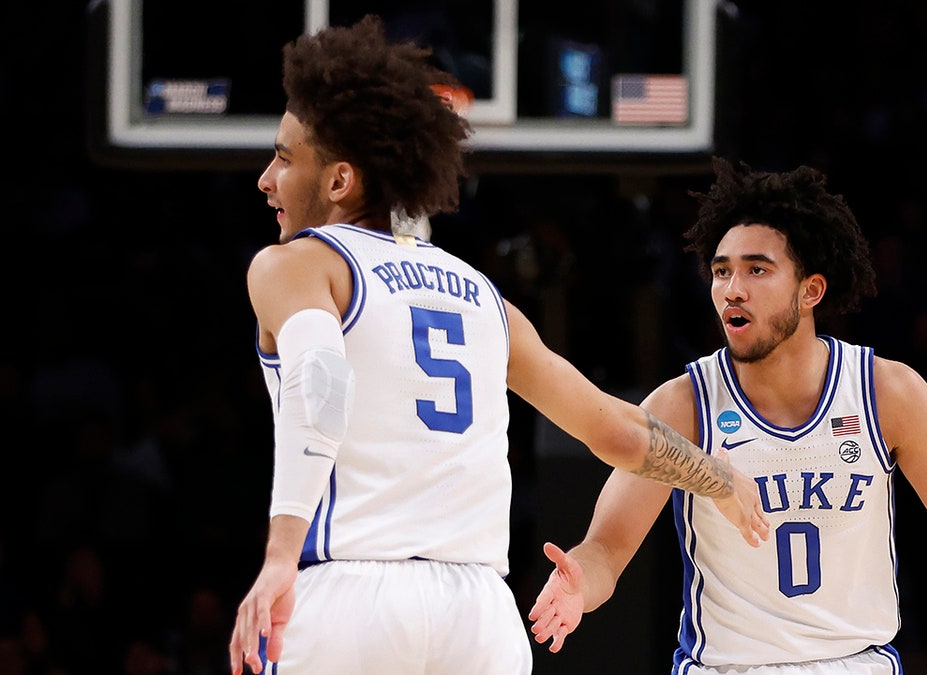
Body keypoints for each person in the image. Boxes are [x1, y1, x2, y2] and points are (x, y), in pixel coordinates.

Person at [226, 16, 769, 675]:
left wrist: (281, 553)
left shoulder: (296, 264)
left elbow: (320, 380)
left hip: (352, 599)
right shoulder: (484, 297)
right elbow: (615, 429)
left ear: (339, 181)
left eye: (284, 157)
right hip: (480, 615)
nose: (265, 177)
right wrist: (716, 477)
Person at [528, 157, 927, 674]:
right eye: (721, 271)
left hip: (855, 664)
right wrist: (580, 583)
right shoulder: (683, 405)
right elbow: (608, 549)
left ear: (811, 291)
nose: (732, 288)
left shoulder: (887, 394)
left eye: (756, 269)